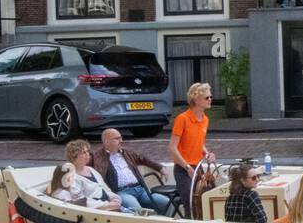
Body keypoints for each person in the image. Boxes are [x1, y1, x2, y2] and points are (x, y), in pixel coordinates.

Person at [92, 128, 170, 214]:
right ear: (106, 142)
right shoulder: (97, 157)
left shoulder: (126, 152)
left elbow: (142, 158)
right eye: (117, 138)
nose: (121, 140)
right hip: (121, 193)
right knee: (138, 212)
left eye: (121, 137)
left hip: (140, 189)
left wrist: (160, 168)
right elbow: (82, 166)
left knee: (167, 202)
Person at [169, 82, 216, 215]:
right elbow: (172, 147)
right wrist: (186, 167)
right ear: (196, 99)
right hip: (184, 170)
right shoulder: (182, 119)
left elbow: (198, 142)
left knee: (202, 202)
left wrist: (207, 154)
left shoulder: (205, 119)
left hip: (198, 168)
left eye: (210, 97)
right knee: (190, 204)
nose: (210, 100)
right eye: (207, 97)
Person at [62, 139, 124, 211]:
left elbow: (105, 189)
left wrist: (115, 199)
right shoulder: (72, 177)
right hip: (97, 211)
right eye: (83, 152)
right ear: (74, 156)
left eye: (87, 151)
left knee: (136, 213)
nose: (87, 154)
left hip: (110, 205)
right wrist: (107, 205)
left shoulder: (91, 170)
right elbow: (80, 201)